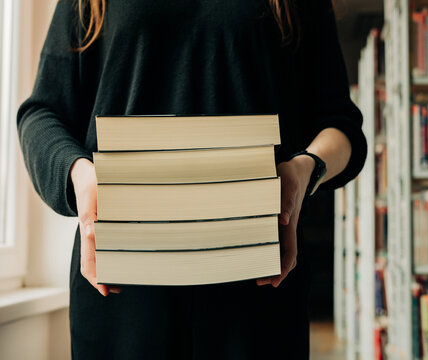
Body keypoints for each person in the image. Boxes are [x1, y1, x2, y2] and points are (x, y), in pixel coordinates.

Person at [17, 0, 367, 359]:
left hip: (259, 287)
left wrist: (305, 169)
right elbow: (42, 112)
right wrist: (79, 174)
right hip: (121, 288)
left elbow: (340, 125)